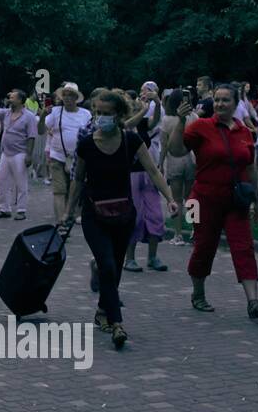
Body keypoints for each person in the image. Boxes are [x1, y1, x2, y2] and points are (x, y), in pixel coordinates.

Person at [62, 89, 177, 349]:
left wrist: (170, 198)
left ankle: (103, 310)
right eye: (98, 113)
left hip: (124, 214)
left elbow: (154, 171)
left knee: (113, 267)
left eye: (107, 114)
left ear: (119, 115)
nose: (101, 118)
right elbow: (78, 180)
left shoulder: (131, 141)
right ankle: (117, 324)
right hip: (94, 214)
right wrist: (68, 212)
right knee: (108, 264)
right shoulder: (87, 144)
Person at [168, 85, 258, 319]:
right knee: (204, 247)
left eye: (225, 100)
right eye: (217, 100)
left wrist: (257, 201)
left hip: (236, 201)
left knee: (244, 247)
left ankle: (253, 301)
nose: (220, 104)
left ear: (236, 103)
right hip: (204, 200)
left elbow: (250, 169)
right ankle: (198, 294)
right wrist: (180, 121)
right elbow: (176, 150)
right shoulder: (201, 127)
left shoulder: (244, 131)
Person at [123, 82, 168, 272]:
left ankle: (153, 257)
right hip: (130, 175)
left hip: (147, 174)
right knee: (134, 218)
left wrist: (157, 104)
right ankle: (129, 259)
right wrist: (144, 109)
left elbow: (154, 121)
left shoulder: (142, 123)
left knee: (156, 216)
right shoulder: (122, 124)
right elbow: (128, 124)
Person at [42, 82, 91, 224]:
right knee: (59, 190)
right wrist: (43, 116)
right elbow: (41, 130)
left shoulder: (85, 114)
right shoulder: (56, 111)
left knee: (74, 190)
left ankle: (70, 214)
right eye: (65, 95)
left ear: (76, 98)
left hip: (78, 159)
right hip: (57, 156)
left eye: (70, 95)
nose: (67, 98)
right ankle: (60, 224)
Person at [0, 89, 40, 220]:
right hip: (6, 152)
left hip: (20, 152)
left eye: (12, 97)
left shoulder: (29, 116)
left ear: (20, 100)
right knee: (2, 181)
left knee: (21, 182)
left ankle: (21, 209)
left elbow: (31, 136)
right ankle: (4, 209)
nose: (9, 98)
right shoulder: (7, 113)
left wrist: (29, 154)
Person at [161, 88, 196, 245]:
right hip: (191, 159)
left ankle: (178, 234)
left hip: (174, 161)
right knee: (191, 198)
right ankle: (196, 230)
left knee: (176, 199)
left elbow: (164, 146)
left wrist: (160, 164)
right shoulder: (194, 117)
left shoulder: (167, 119)